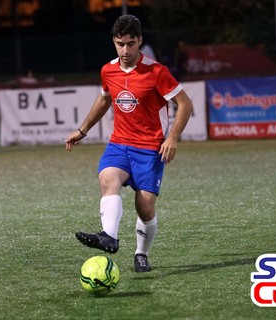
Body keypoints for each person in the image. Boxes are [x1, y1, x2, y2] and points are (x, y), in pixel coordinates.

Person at [65, 15, 193, 272]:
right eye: (120, 44)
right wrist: (82, 130)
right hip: (120, 144)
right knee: (107, 179)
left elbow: (185, 104)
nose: (125, 50)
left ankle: (141, 254)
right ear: (114, 42)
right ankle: (109, 236)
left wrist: (172, 137)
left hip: (150, 148)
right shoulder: (108, 70)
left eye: (131, 44)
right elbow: (104, 100)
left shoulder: (157, 72)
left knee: (144, 206)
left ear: (140, 42)